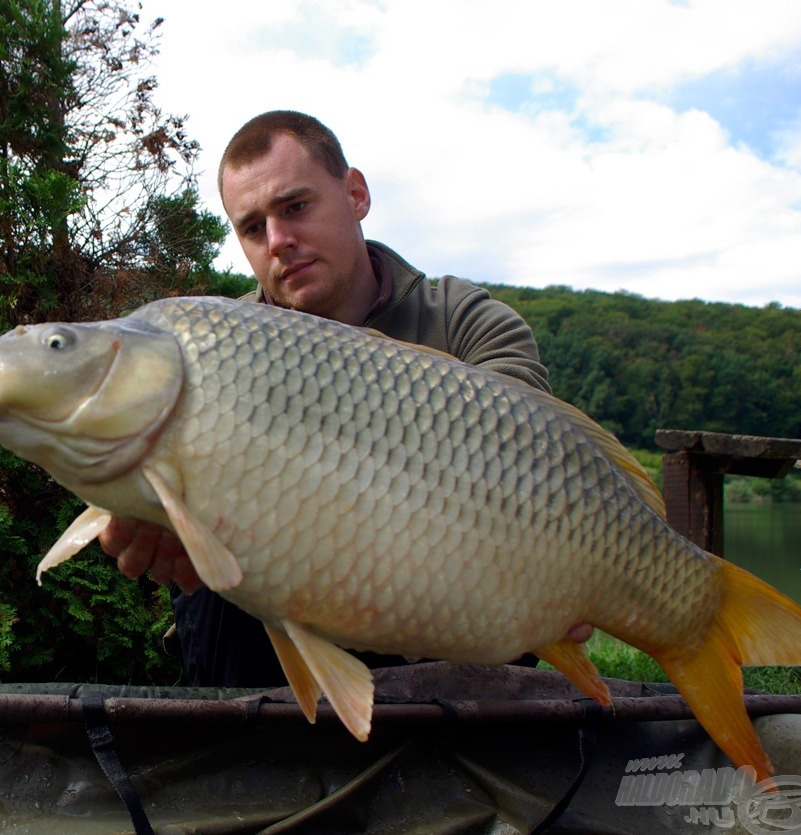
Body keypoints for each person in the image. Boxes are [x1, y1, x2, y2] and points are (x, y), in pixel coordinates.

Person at [102, 110, 590, 686]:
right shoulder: (213, 351)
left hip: (454, 606)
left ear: (355, 194)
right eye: (253, 228)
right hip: (275, 637)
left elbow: (539, 460)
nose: (279, 241)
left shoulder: (463, 322)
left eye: (295, 208)